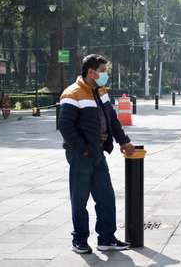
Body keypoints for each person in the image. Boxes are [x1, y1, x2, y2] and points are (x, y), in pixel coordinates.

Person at [58, 54, 135, 254]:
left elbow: (112, 120)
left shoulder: (101, 91)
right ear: (90, 72)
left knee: (106, 196)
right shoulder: (72, 93)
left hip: (98, 153)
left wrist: (124, 141)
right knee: (80, 198)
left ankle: (106, 238)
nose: (105, 74)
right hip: (81, 154)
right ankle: (80, 239)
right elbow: (65, 126)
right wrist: (83, 149)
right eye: (102, 71)